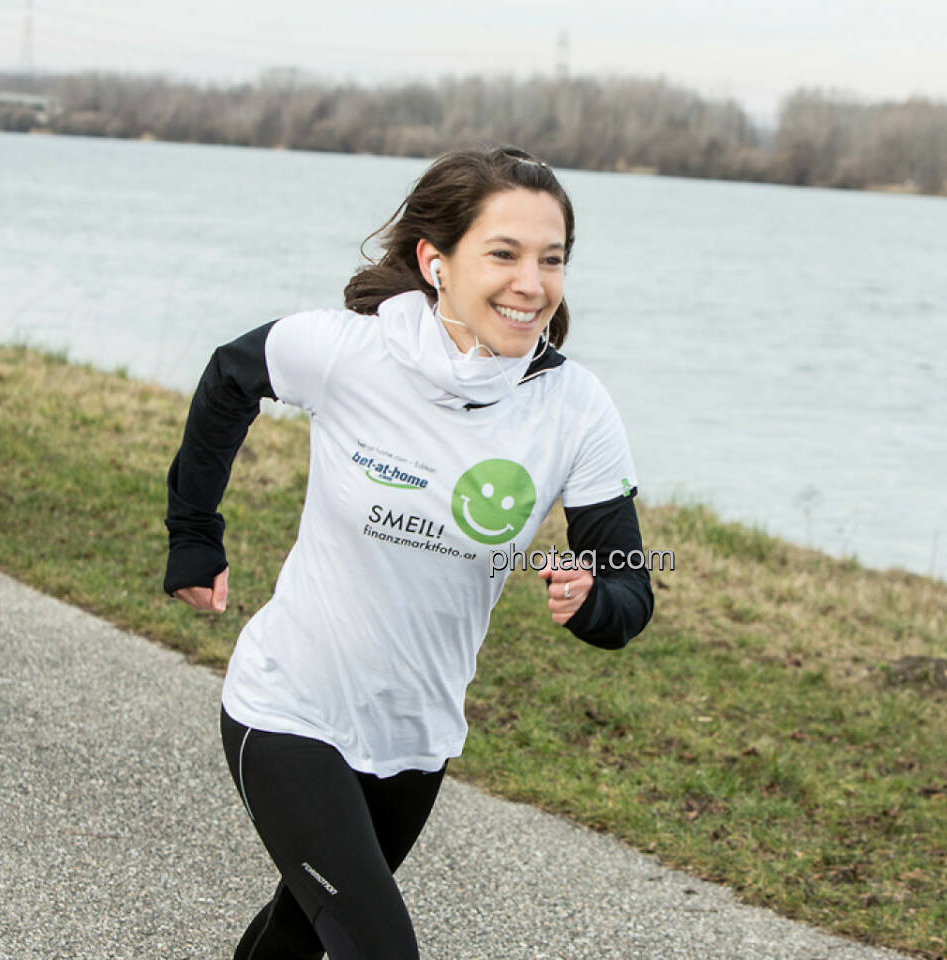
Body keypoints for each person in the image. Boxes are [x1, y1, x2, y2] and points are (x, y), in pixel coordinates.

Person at [162, 145, 654, 960]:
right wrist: (194, 536)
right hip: (290, 708)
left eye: (552, 259)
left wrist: (594, 601)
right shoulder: (350, 351)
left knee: (299, 930)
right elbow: (228, 378)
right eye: (503, 253)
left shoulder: (575, 409)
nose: (531, 283)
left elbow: (628, 592)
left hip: (415, 735)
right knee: (379, 948)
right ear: (435, 261)